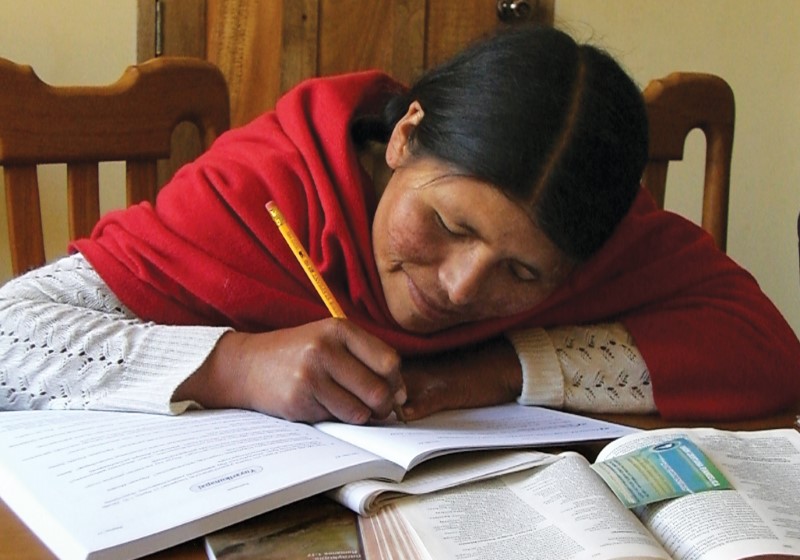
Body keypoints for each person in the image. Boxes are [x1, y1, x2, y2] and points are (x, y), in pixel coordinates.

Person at [1, 25, 798, 424]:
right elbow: (10, 335)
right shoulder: (267, 185)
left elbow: (766, 349)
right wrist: (232, 367)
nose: (459, 287)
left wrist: (499, 370)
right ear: (407, 134)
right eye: (447, 222)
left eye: (523, 274)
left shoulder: (600, 229)